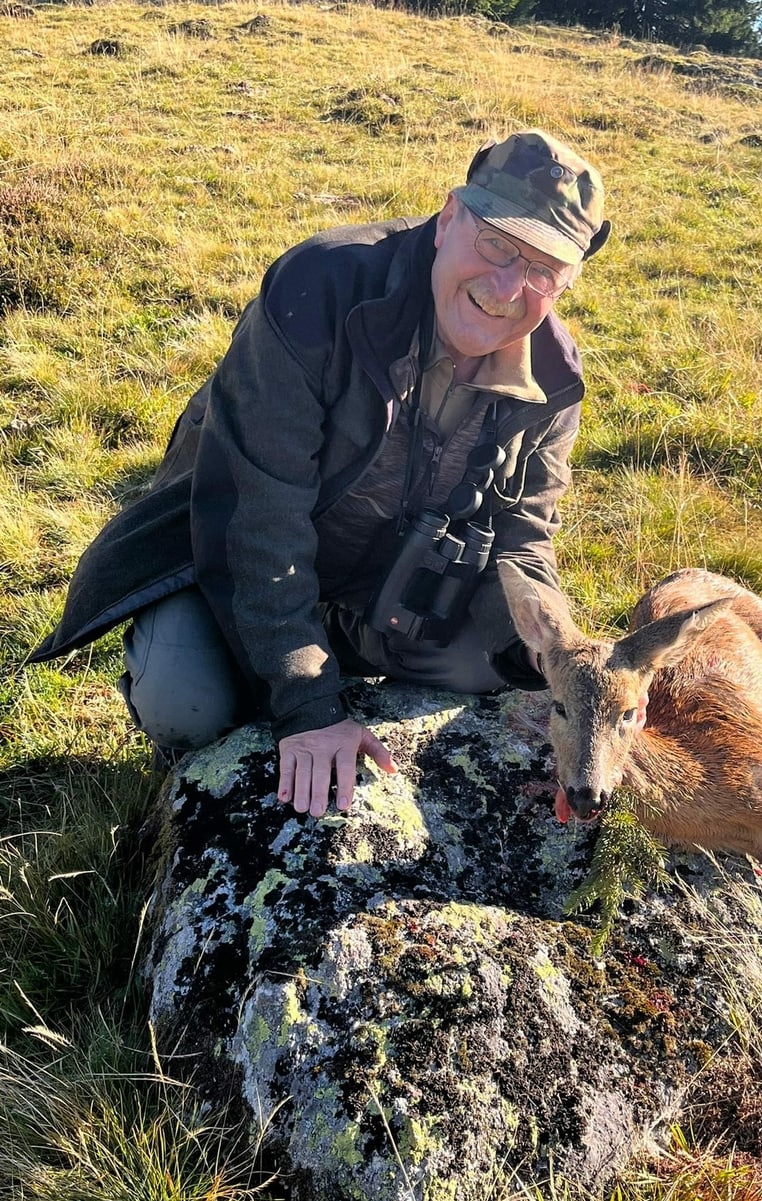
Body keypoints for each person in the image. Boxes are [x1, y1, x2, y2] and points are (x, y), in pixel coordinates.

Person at [28, 129, 609, 819]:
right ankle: (245, 699)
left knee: (505, 670)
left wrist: (559, 661)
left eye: (544, 271)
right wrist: (306, 700)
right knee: (184, 701)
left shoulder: (555, 380)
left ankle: (325, 652)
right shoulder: (320, 293)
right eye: (498, 245)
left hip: (387, 582)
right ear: (449, 218)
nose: (509, 287)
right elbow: (258, 510)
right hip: (231, 548)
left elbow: (524, 535)